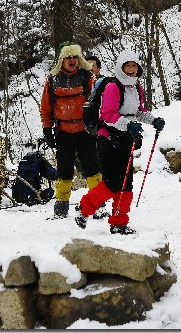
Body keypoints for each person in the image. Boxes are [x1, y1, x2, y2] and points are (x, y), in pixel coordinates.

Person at [75, 49, 165, 235]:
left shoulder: (136, 88)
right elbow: (106, 115)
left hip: (126, 139)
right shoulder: (113, 87)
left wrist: (153, 120)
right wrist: (128, 125)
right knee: (112, 183)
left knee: (126, 183)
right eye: (128, 65)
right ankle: (84, 208)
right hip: (107, 138)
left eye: (134, 65)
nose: (131, 69)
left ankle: (119, 223)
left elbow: (138, 112)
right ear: (121, 67)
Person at [40, 42, 105, 219]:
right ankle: (61, 205)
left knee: (92, 167)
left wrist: (99, 125)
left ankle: (98, 204)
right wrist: (47, 130)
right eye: (68, 57)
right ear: (62, 59)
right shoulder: (52, 79)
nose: (72, 60)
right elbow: (46, 108)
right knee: (64, 169)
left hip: (86, 130)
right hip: (63, 130)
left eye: (75, 56)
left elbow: (99, 103)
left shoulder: (87, 77)